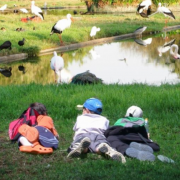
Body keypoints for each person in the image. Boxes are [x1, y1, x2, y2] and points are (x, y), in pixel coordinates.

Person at [67, 97, 126, 163]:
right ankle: (103, 148)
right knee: (98, 144)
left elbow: (76, 129)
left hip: (83, 135)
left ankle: (82, 148)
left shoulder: (80, 118)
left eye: (83, 109)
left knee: (80, 142)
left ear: (86, 110)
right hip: (98, 136)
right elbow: (106, 131)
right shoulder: (104, 120)